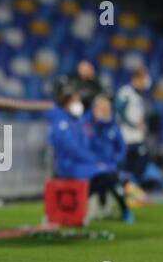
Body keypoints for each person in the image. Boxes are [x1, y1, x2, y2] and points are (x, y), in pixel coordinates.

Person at [49, 88, 134, 223]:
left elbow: (120, 147)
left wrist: (111, 160)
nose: (79, 104)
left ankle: (85, 208)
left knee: (109, 177)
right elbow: (73, 148)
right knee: (107, 177)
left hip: (90, 164)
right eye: (76, 101)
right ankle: (77, 208)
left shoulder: (75, 122)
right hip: (72, 166)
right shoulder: (68, 123)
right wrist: (95, 161)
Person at [82, 95, 132, 220]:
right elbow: (84, 146)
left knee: (112, 180)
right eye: (102, 109)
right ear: (95, 109)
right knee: (98, 181)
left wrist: (115, 160)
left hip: (110, 165)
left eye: (107, 109)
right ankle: (82, 210)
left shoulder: (113, 126)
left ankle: (125, 210)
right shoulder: (86, 125)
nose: (105, 112)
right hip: (91, 166)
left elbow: (122, 148)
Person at [114, 67, 151, 182]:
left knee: (140, 160)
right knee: (128, 161)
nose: (146, 81)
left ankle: (129, 183)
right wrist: (134, 125)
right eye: (143, 78)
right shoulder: (126, 92)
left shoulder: (139, 96)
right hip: (126, 135)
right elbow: (118, 112)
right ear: (136, 79)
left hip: (136, 136)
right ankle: (123, 184)